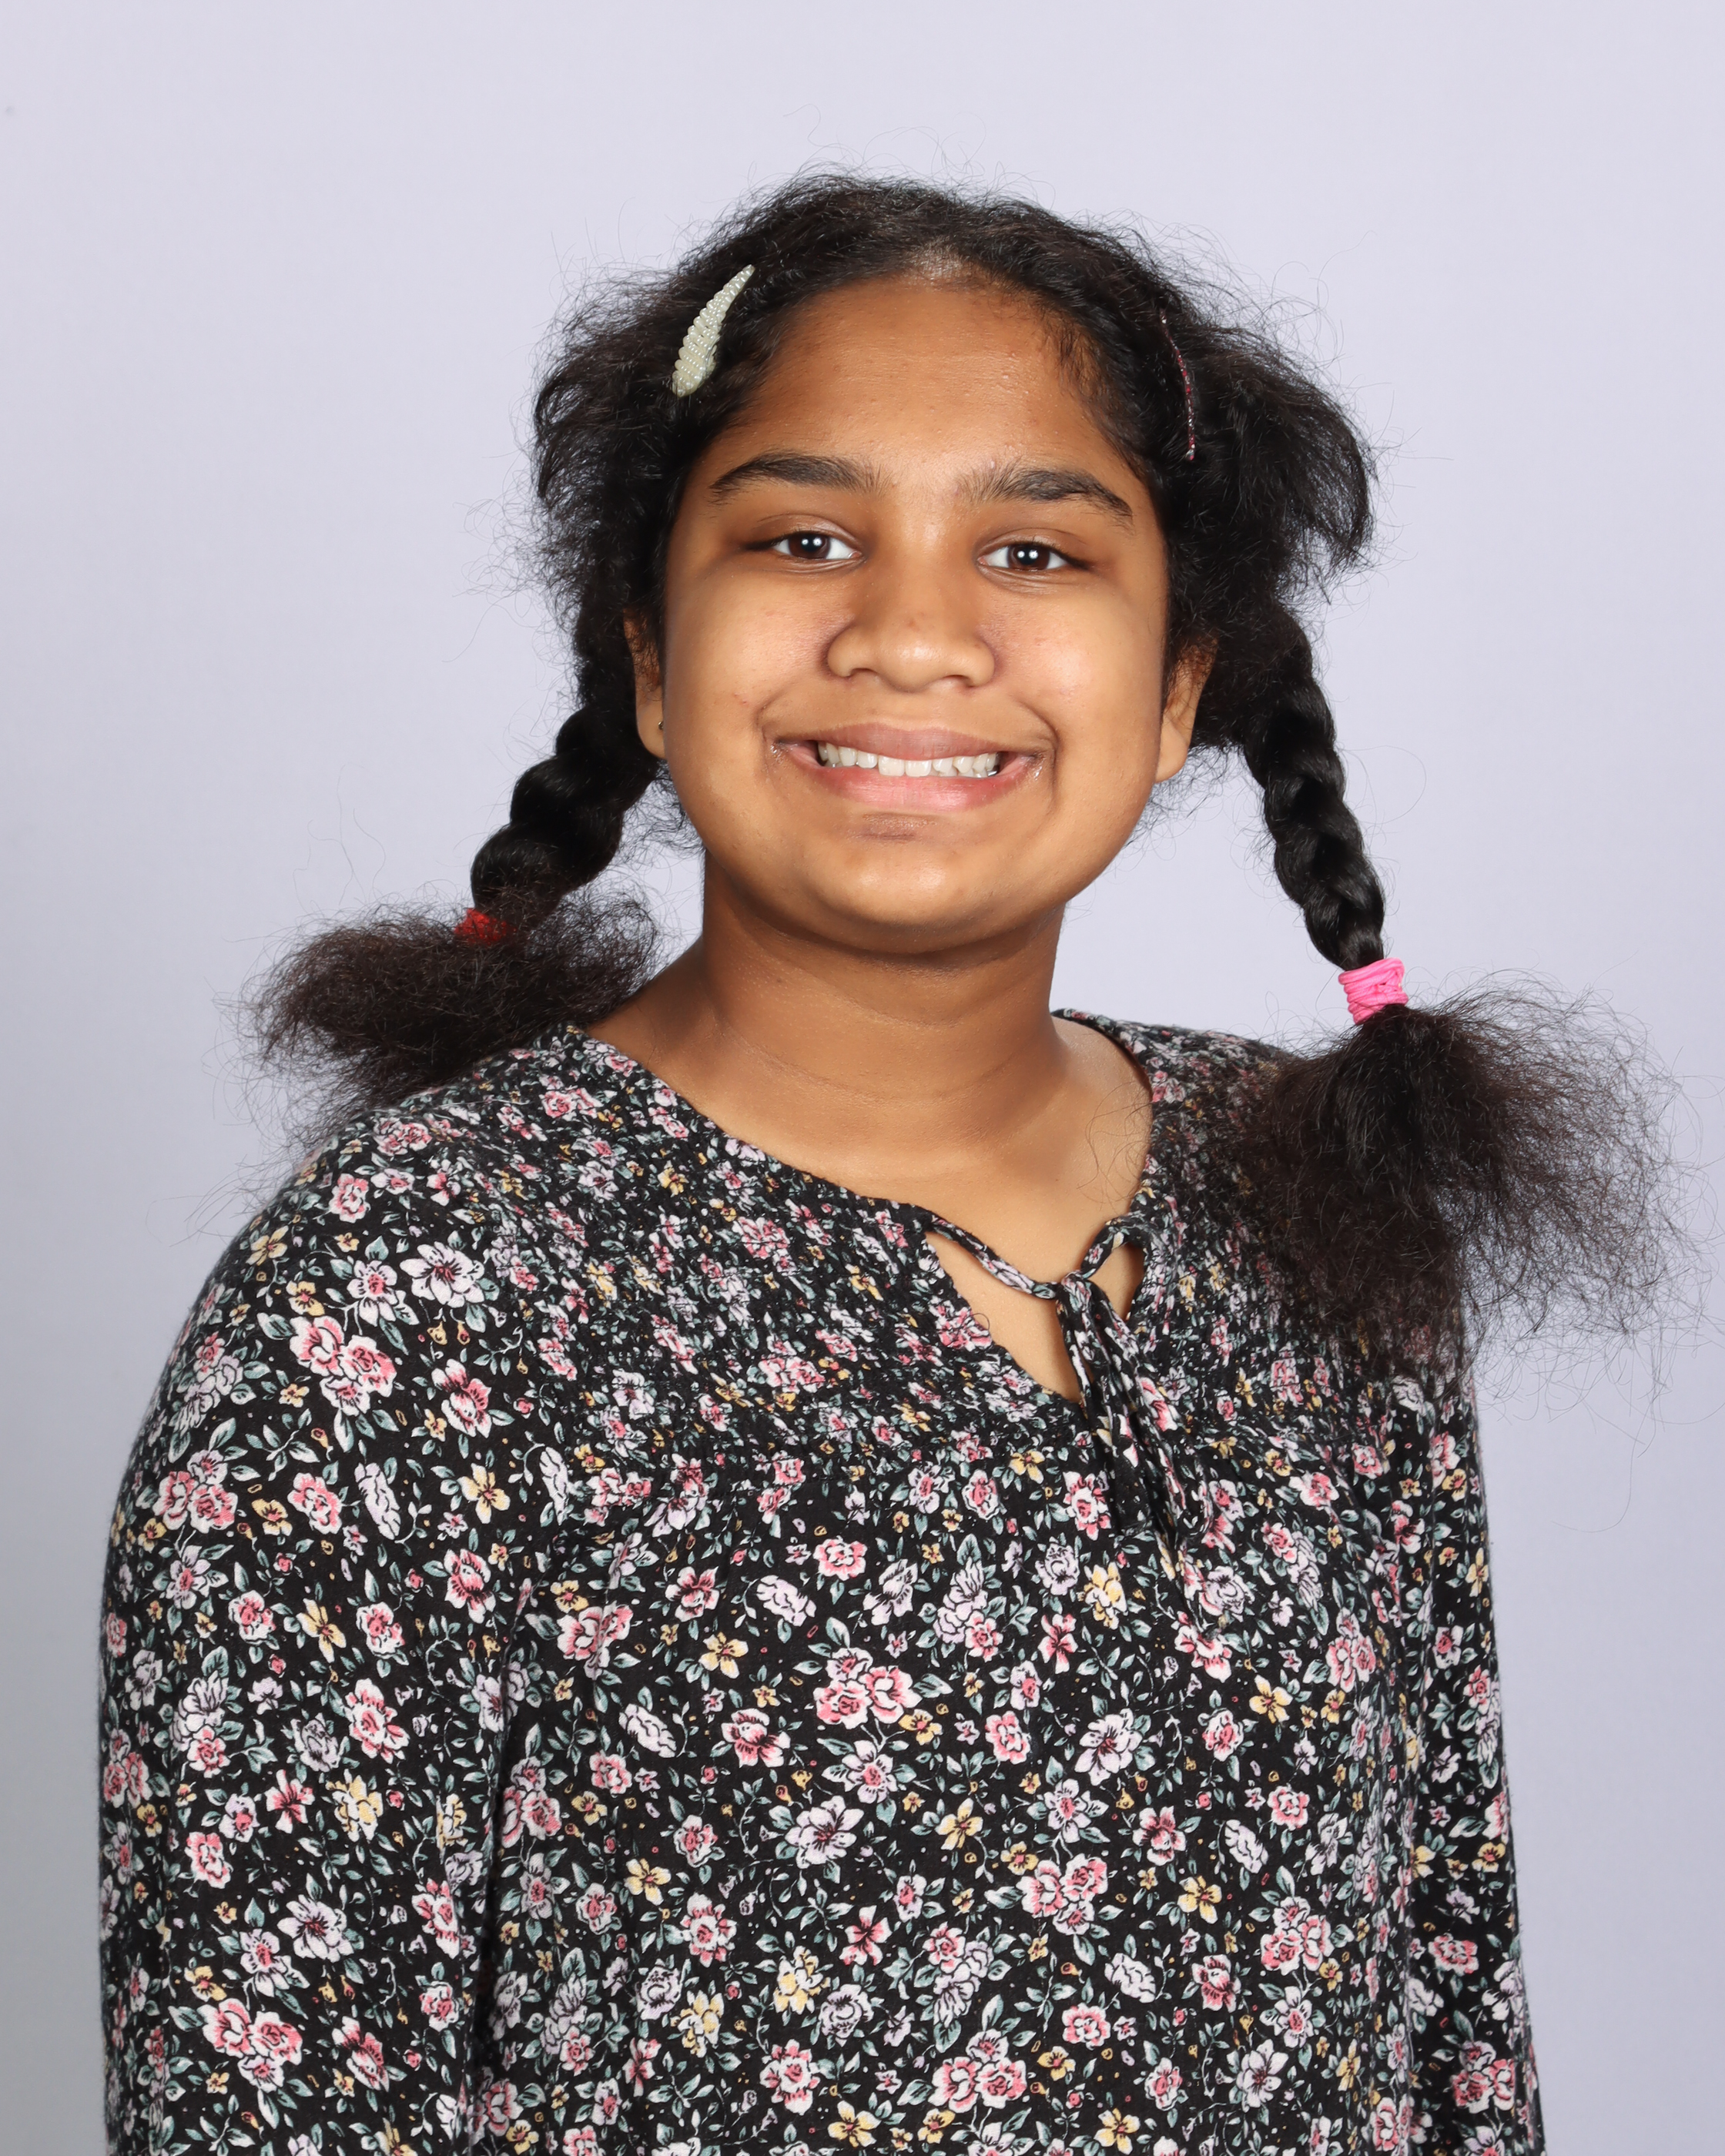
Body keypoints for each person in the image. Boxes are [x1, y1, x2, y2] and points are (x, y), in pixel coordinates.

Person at [102, 174, 1673, 2155]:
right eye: (803, 536)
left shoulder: (1314, 1204)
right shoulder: (404, 1298)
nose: (915, 632)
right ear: (650, 658)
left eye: (1032, 547)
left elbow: (1445, 2011)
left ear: (1178, 684)